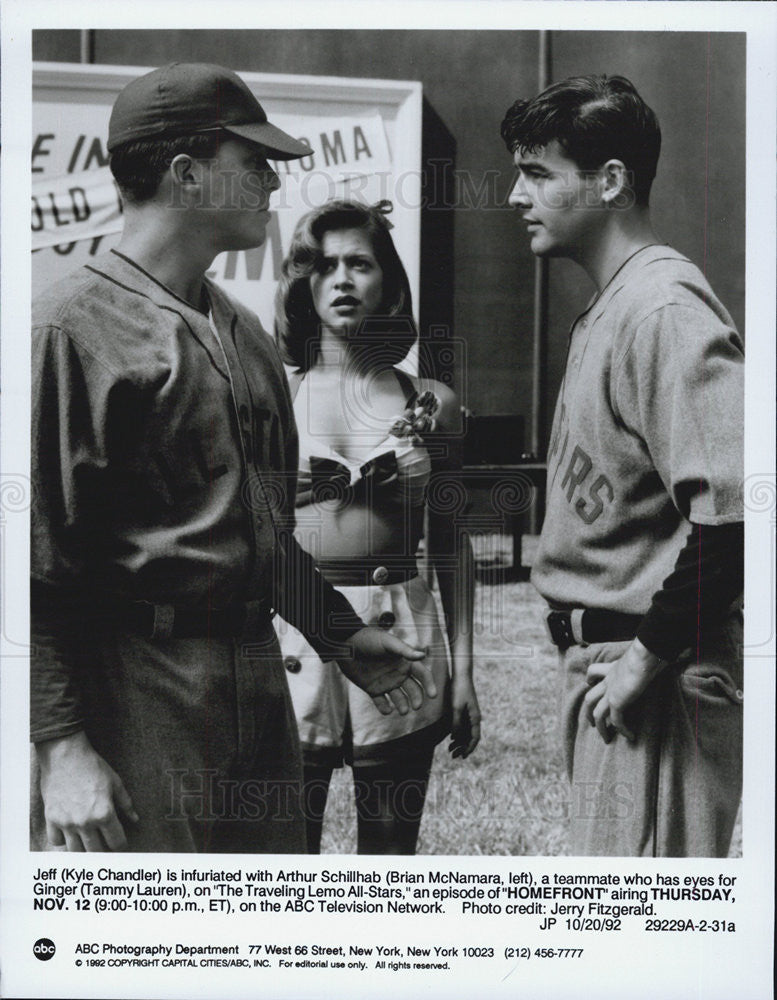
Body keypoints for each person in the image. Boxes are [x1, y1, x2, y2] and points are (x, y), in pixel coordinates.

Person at [30, 63, 436, 854]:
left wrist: (343, 638)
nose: (269, 182)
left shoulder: (245, 332)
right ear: (185, 175)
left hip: (257, 681)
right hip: (138, 682)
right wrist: (60, 748)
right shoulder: (65, 332)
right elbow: (28, 565)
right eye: (251, 162)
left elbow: (264, 538)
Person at [501, 75, 744, 857]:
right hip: (612, 666)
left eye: (537, 173)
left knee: (643, 944)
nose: (514, 194)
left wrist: (645, 658)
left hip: (655, 675)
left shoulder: (663, 309)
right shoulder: (616, 302)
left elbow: (738, 511)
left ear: (610, 181)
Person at [274, 200, 481, 854]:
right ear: (302, 282)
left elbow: (451, 544)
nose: (340, 279)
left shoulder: (430, 402)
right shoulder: (272, 395)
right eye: (324, 264)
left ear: (388, 283)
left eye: (358, 264)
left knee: (389, 862)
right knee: (282, 855)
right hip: (295, 630)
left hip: (402, 627)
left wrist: (468, 672)